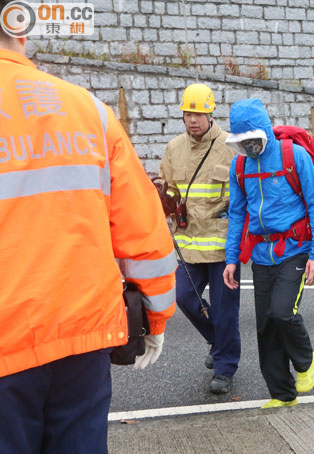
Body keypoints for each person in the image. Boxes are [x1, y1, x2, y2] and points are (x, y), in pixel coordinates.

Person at [0, 15, 177, 454]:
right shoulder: (88, 110)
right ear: (20, 31)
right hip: (83, 336)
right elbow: (142, 228)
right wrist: (155, 316)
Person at [222, 98, 314, 409]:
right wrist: (231, 260)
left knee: (283, 312)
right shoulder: (239, 165)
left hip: (295, 250)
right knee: (266, 326)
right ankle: (282, 395)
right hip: (261, 255)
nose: (251, 147)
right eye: (244, 143)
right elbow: (237, 213)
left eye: (254, 140)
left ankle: (306, 361)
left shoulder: (293, 156)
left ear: (265, 132)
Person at [158, 83, 240, 394]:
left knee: (225, 310)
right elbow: (165, 186)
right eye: (188, 113)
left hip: (222, 247)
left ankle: (225, 367)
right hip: (188, 244)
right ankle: (217, 339)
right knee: (183, 298)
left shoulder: (230, 147)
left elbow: (242, 196)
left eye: (199, 113)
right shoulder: (174, 148)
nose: (193, 119)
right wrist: (164, 201)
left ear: (210, 114)